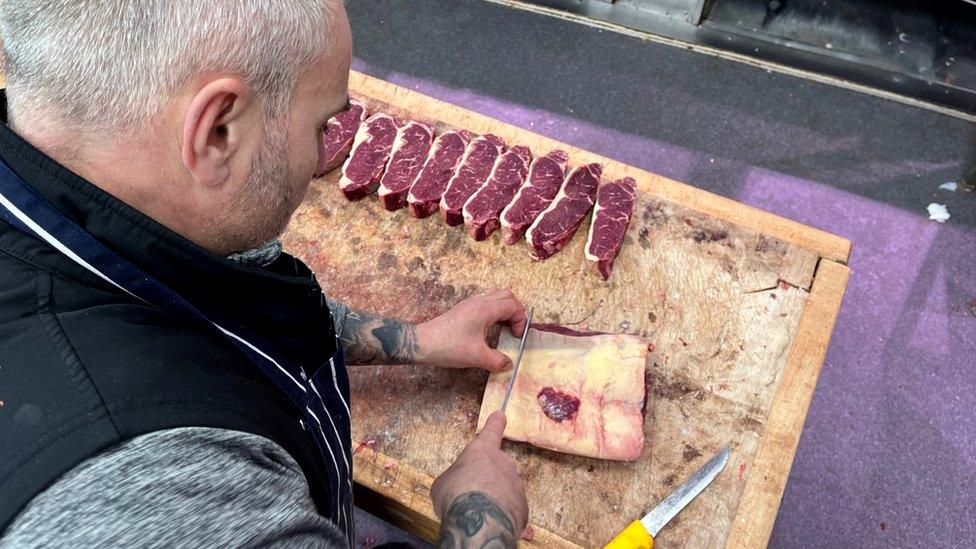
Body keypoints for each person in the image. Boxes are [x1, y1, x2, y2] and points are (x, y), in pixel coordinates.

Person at [0, 1, 528, 547]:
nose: (324, 150)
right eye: (323, 124)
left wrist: (415, 341)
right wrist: (485, 514)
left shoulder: (66, 200)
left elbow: (203, 306)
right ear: (219, 131)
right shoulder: (175, 504)